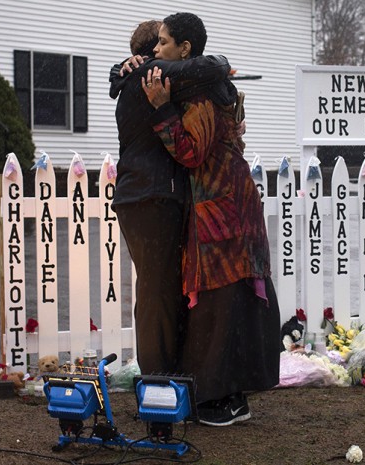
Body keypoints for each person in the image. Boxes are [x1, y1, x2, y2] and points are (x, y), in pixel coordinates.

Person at [142, 12, 281, 426]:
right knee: (237, 301)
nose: (157, 49)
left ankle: (217, 399)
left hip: (222, 208)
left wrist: (162, 110)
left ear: (185, 49)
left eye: (164, 43)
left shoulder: (201, 96)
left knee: (219, 305)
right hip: (236, 202)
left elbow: (190, 153)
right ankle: (235, 397)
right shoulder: (217, 86)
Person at [109, 21, 233, 376]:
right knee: (157, 292)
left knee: (160, 287)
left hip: (146, 195)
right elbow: (207, 68)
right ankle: (158, 380)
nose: (163, 49)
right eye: (160, 44)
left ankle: (167, 374)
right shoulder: (150, 74)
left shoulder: (139, 77)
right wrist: (222, 65)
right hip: (151, 196)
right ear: (150, 54)